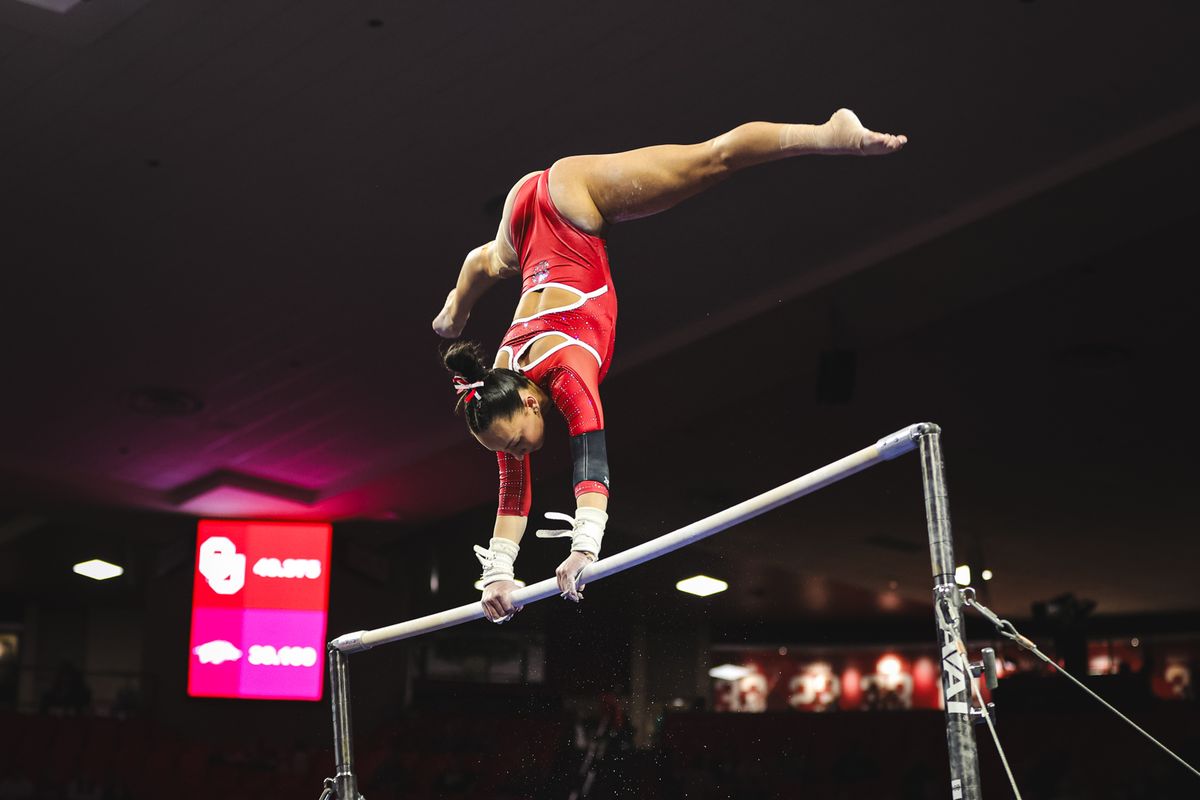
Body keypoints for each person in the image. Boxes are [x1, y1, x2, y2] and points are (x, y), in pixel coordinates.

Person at [435, 109, 907, 623]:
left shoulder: (567, 371)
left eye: (515, 441)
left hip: (574, 197)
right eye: (507, 447)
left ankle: (829, 134)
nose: (518, 451)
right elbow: (512, 492)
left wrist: (585, 548)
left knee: (713, 159)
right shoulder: (496, 386)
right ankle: (455, 310)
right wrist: (497, 574)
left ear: (530, 400)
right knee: (488, 261)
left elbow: (591, 462)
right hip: (522, 217)